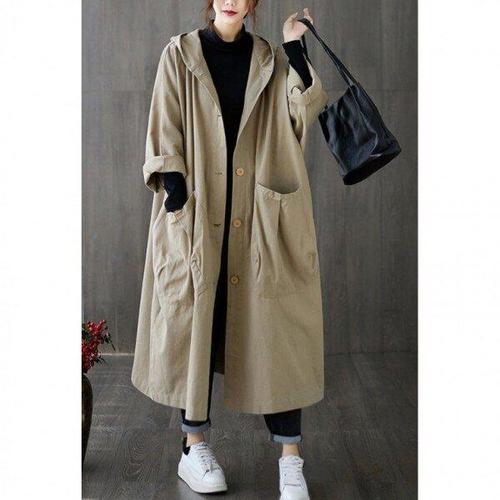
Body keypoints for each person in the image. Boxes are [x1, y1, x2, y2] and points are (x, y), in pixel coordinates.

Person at [132, 1, 329, 498]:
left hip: (261, 220)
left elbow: (303, 114)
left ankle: (291, 461)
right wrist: (178, 199)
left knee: (277, 334)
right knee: (195, 328)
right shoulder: (179, 55)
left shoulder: (272, 58)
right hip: (199, 218)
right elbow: (164, 129)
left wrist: (295, 47)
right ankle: (193, 447)